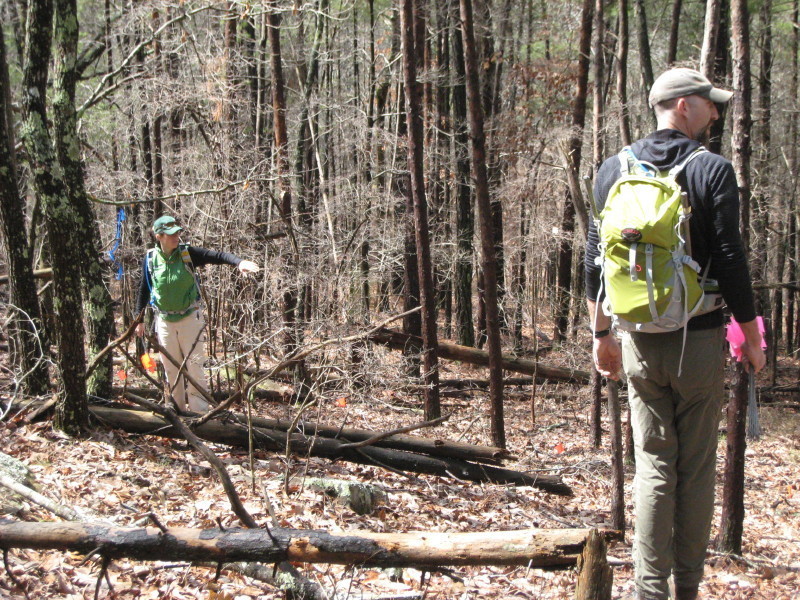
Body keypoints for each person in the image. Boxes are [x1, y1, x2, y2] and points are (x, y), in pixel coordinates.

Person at [584, 68, 766, 600]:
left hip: (639, 340)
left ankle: (648, 591)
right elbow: (731, 259)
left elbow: (595, 260)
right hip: (701, 339)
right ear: (684, 106)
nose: (716, 112)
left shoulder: (612, 168)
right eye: (710, 103)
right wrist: (751, 336)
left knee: (654, 464)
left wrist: (601, 335)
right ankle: (687, 588)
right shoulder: (711, 169)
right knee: (695, 466)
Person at [135, 215, 259, 413]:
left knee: (194, 368)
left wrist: (239, 262)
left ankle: (200, 416)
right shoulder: (150, 259)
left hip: (190, 319)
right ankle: (175, 413)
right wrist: (139, 319)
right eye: (170, 234)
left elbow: (217, 256)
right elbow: (144, 289)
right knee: (171, 371)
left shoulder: (188, 254)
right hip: (164, 321)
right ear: (159, 236)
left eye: (177, 232)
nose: (176, 236)